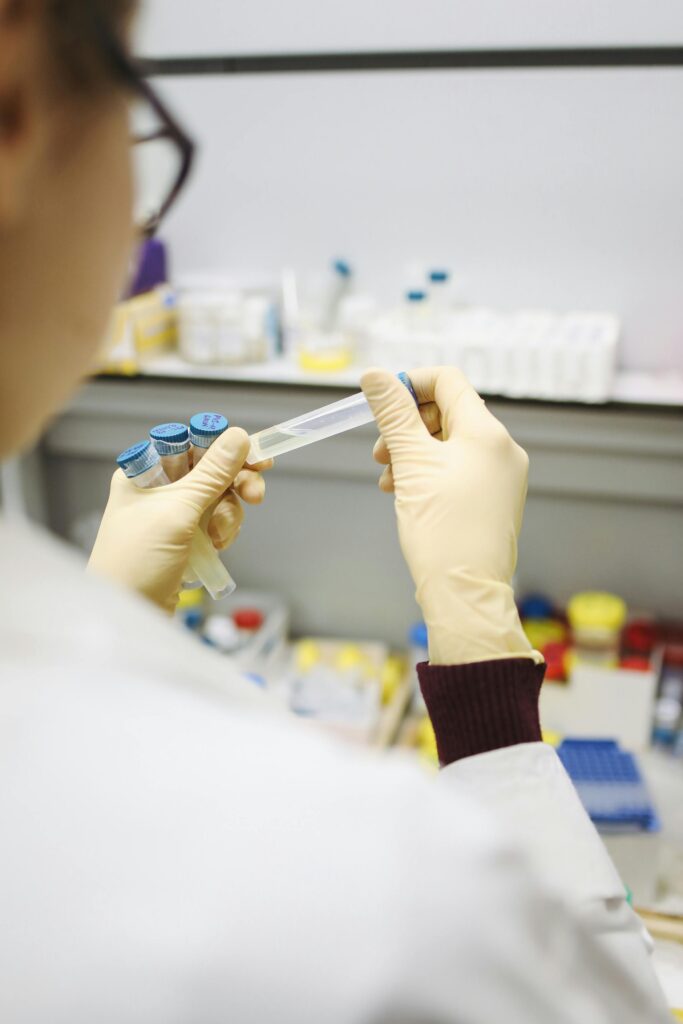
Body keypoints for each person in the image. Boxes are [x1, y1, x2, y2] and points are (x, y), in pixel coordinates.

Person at [0, 2, 671, 1021]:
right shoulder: (363, 883)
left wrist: (108, 612)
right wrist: (477, 622)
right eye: (137, 110)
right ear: (17, 115)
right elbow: (590, 999)